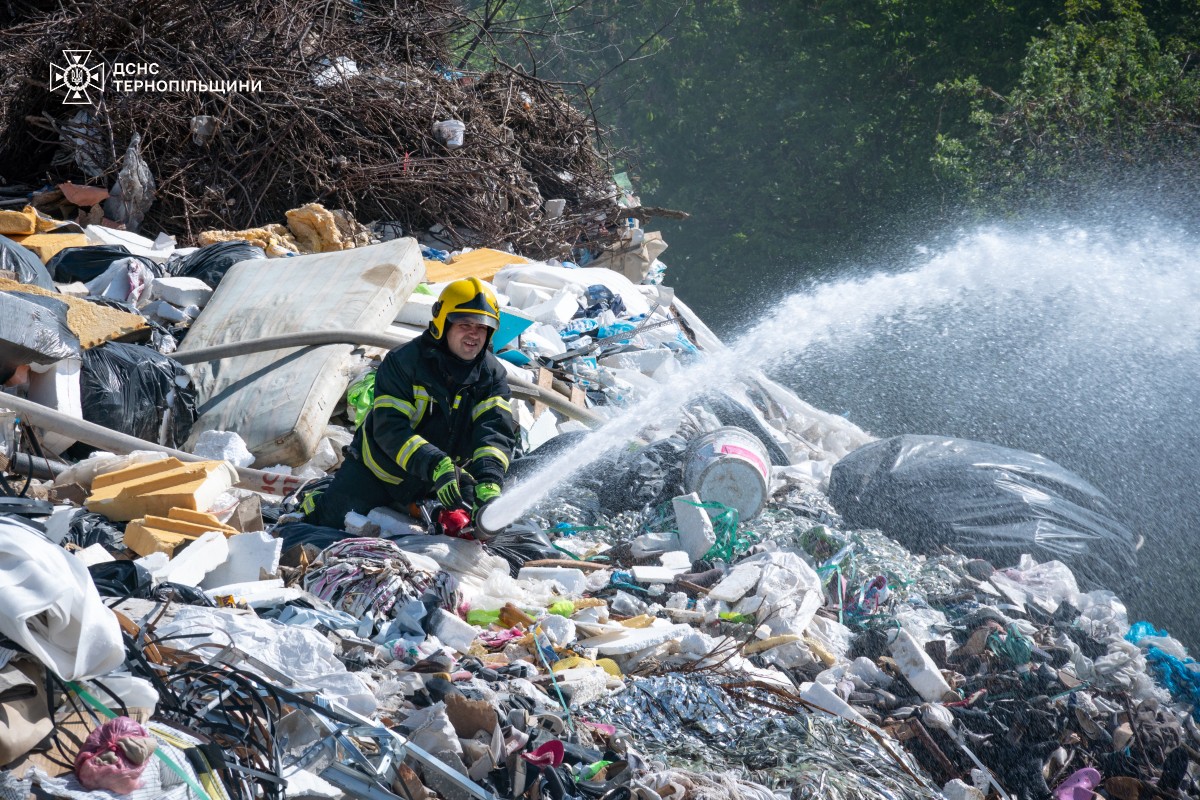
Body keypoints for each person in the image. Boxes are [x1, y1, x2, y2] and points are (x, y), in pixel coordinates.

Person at [303, 277, 516, 530]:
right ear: (442, 322)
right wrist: (436, 464)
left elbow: (493, 433)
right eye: (465, 324)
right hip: (378, 472)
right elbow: (390, 429)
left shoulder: (492, 376)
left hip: (444, 479)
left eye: (482, 327)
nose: (474, 333)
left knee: (481, 531)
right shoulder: (403, 362)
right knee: (325, 527)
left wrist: (488, 480)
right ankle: (318, 497)